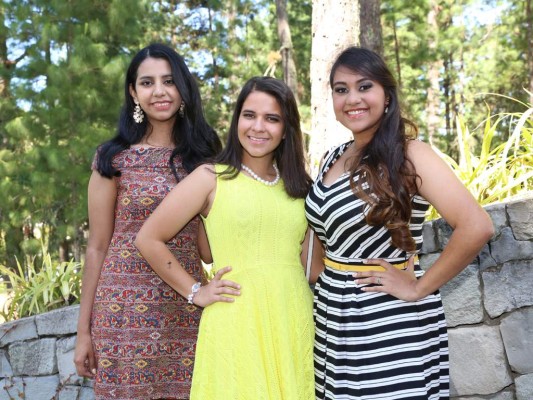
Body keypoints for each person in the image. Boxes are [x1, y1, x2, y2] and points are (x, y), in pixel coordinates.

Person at [305, 46, 494, 400]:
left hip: (386, 320)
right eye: (341, 89)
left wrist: (417, 288)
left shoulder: (410, 154)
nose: (352, 99)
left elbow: (476, 225)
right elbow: (320, 234)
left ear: (387, 96)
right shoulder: (332, 157)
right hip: (333, 322)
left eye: (365, 87)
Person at [135, 76, 316, 399]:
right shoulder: (210, 177)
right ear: (236, 121)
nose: (258, 127)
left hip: (292, 319)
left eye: (272, 118)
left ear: (287, 128)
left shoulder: (300, 187)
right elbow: (148, 238)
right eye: (249, 115)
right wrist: (195, 292)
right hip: (237, 320)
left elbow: (309, 267)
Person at [73, 43, 222, 400]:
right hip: (122, 312)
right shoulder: (113, 158)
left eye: (169, 81)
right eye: (147, 82)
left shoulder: (206, 156)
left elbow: (208, 247)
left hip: (186, 307)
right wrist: (83, 332)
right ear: (133, 92)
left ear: (183, 88)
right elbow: (96, 247)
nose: (159, 91)